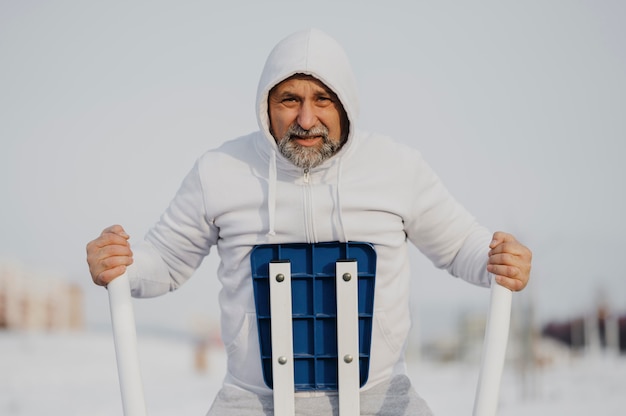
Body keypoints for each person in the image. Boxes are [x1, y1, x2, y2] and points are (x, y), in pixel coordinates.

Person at [86, 28, 531, 415]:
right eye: (289, 100)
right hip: (251, 399)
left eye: (322, 99)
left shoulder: (397, 168)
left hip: (381, 396)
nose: (306, 119)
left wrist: (499, 258)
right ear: (267, 105)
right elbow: (163, 262)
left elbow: (461, 247)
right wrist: (122, 263)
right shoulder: (220, 171)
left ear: (346, 105)